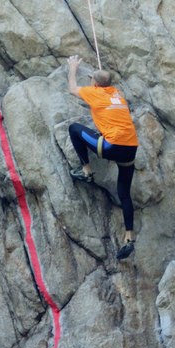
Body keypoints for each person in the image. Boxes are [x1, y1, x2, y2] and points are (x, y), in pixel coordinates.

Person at [67, 55, 139, 259]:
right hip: (130, 147)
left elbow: (73, 89)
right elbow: (104, 83)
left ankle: (86, 171)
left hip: (112, 145)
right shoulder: (118, 94)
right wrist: (101, 78)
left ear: (96, 84)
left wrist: (73, 68)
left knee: (74, 129)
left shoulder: (95, 94)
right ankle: (129, 237)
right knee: (124, 191)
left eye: (92, 79)